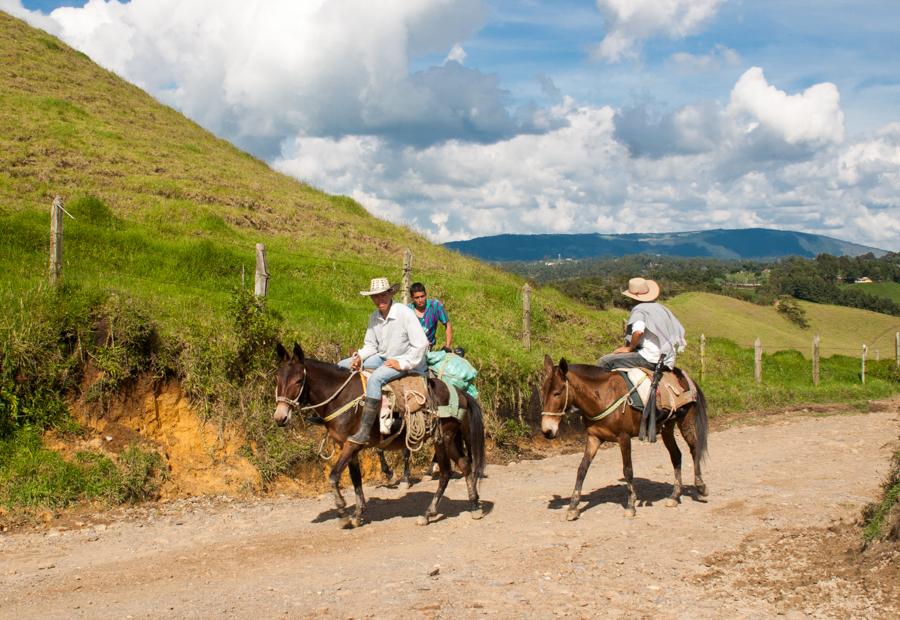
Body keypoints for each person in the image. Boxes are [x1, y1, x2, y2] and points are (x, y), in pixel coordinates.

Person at [338, 277, 429, 445]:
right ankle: (339, 414)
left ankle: (364, 431)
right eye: (375, 297)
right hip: (383, 357)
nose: (380, 300)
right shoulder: (374, 317)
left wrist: (401, 363)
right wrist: (359, 357)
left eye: (383, 295)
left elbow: (421, 344)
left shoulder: (404, 313)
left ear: (390, 294)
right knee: (341, 366)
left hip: (406, 360)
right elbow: (370, 345)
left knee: (376, 379)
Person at [597, 277, 686, 372]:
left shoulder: (640, 310)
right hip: (667, 358)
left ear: (632, 297)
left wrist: (630, 348)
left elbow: (638, 332)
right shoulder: (660, 308)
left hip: (651, 358)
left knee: (605, 361)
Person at [408, 282, 453, 351]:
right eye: (417, 298)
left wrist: (448, 346)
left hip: (428, 348)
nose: (420, 300)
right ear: (412, 298)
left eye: (422, 296)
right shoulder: (408, 310)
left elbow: (447, 324)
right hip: (411, 348)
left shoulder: (435, 306)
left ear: (426, 295)